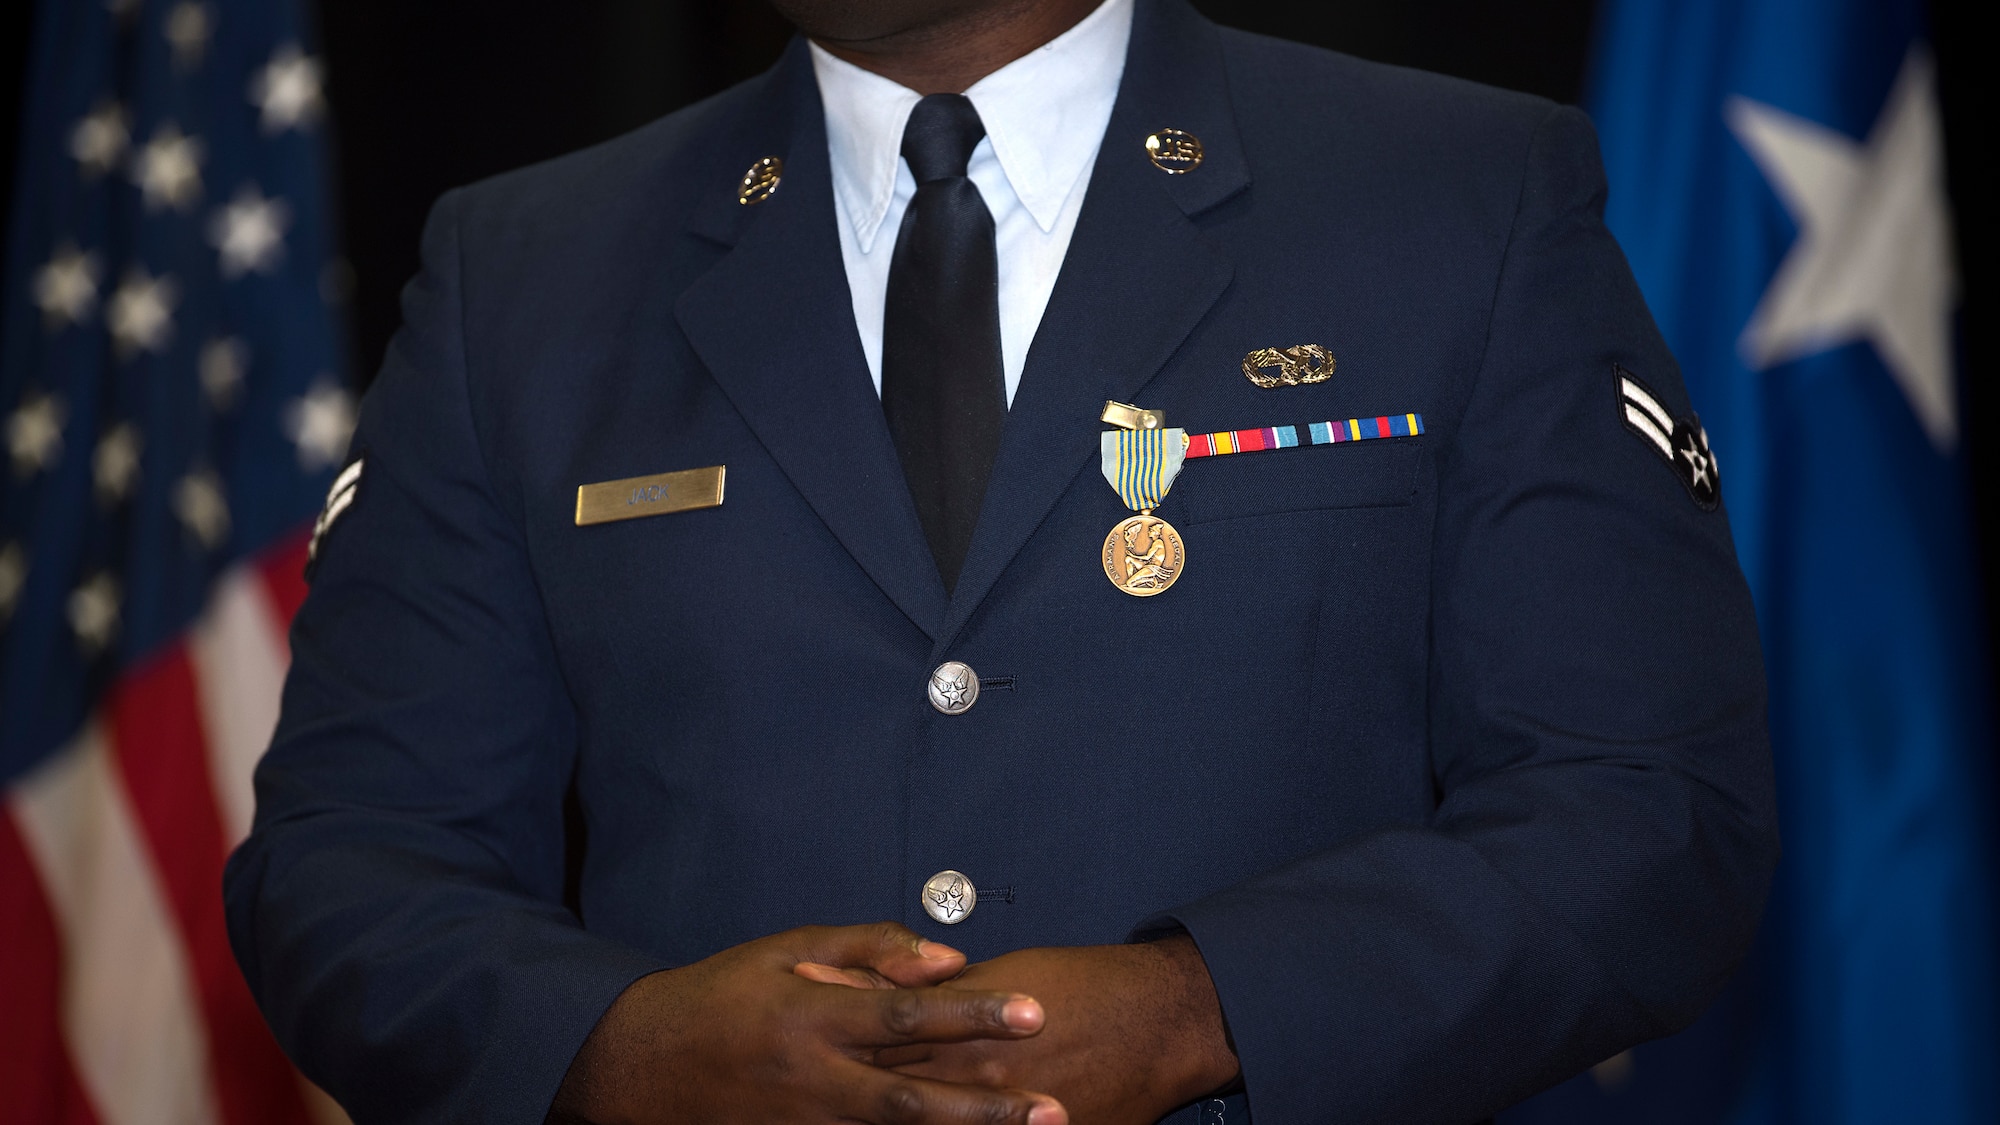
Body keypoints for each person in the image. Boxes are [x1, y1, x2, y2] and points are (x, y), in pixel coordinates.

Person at [222, 0, 1779, 1122]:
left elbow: (1648, 804)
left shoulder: (1456, 199)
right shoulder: (526, 275)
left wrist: (1207, 1008)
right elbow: (349, 859)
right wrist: (619, 1049)